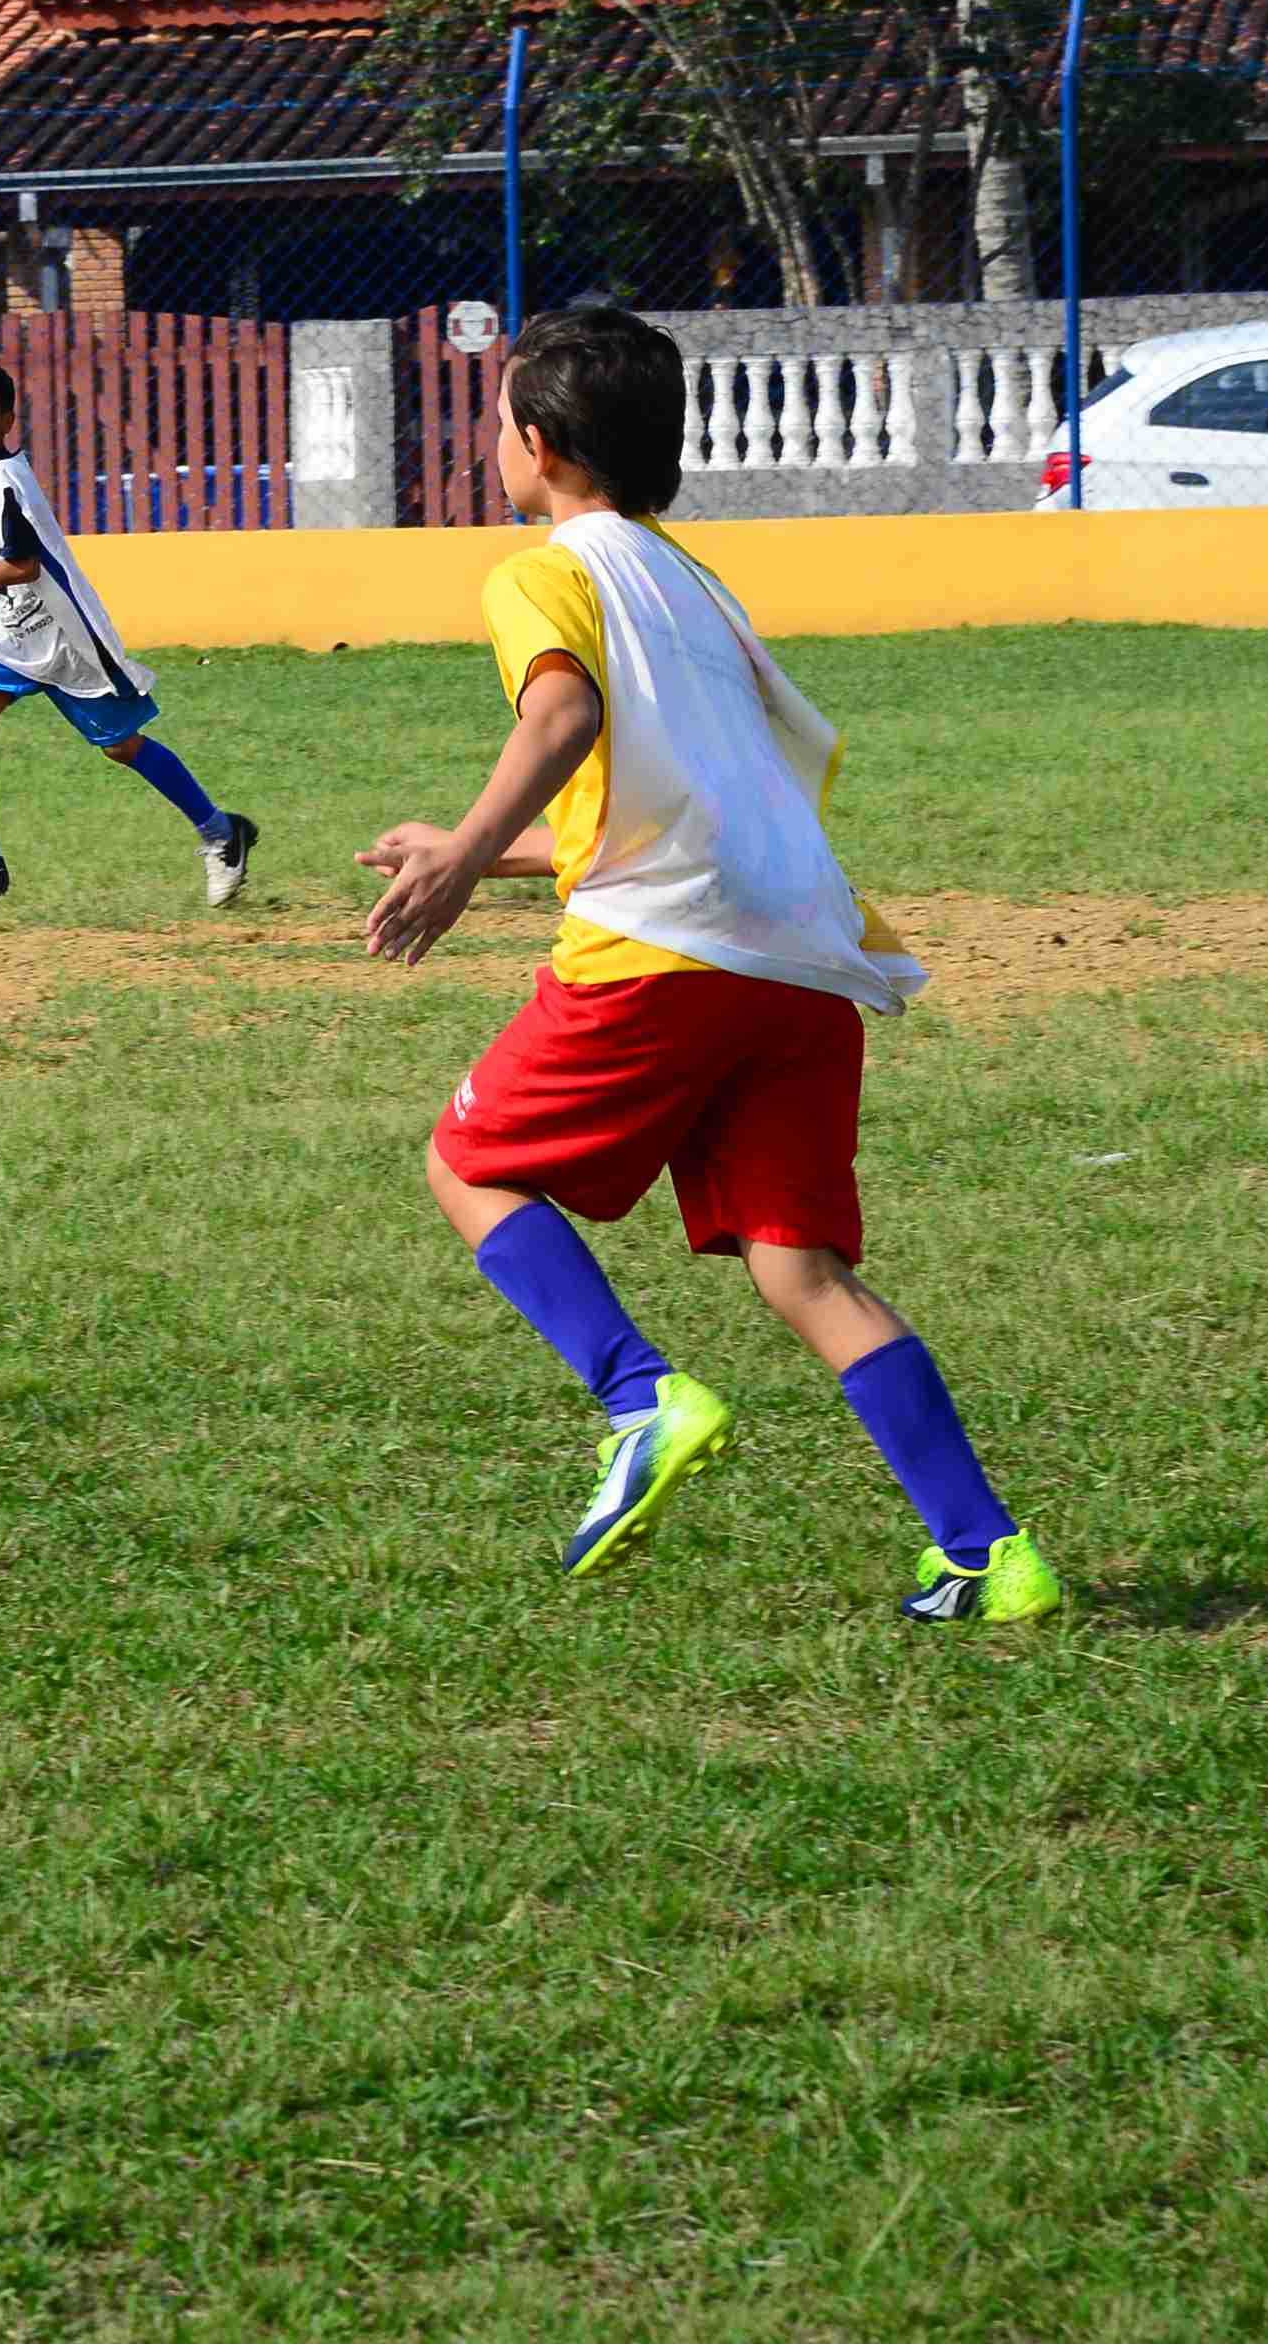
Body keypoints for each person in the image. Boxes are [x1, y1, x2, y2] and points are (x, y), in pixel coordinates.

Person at [354, 307, 1054, 1620]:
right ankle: (988, 1554)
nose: (492, 440)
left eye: (500, 419)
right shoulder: (694, 584)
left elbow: (563, 716)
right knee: (801, 1269)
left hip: (663, 962)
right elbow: (686, 795)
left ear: (543, 446)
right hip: (799, 961)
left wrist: (457, 865)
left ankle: (641, 1399)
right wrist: (474, 844)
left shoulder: (545, 570)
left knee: (468, 1164)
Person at [0, 358, 259, 907]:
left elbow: (25, 565)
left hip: (66, 637)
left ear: (6, 419)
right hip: (21, 633)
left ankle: (220, 833)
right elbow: (10, 561)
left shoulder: (5, 481)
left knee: (121, 746)